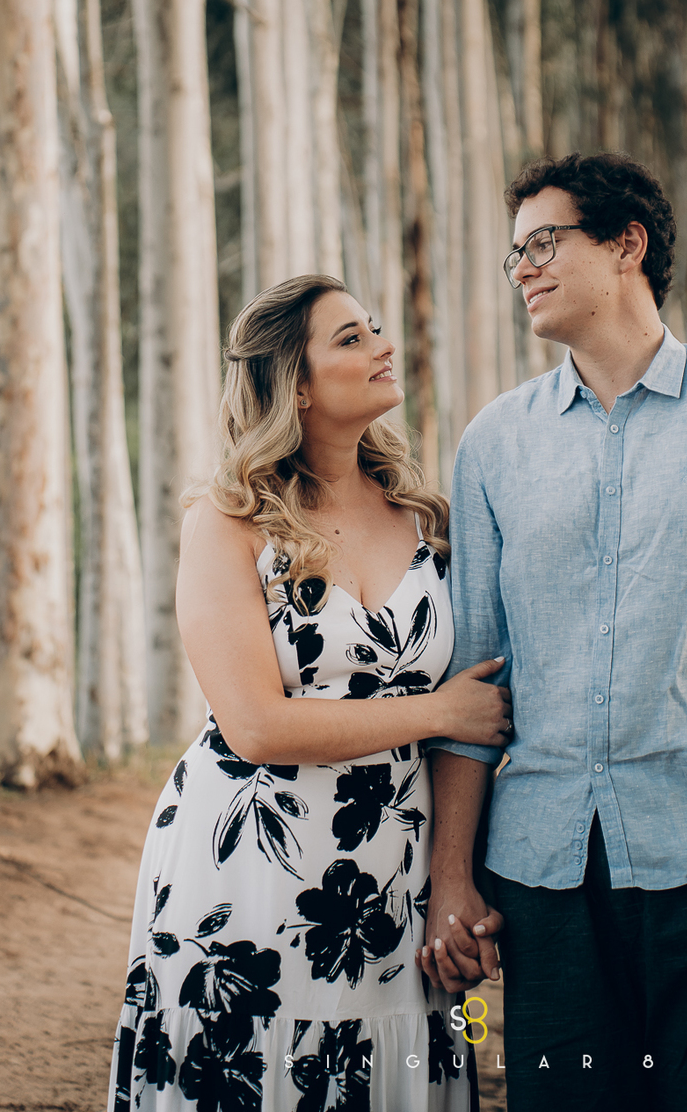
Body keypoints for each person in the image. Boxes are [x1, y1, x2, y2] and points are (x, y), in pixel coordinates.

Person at [419, 153, 687, 1112]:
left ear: (627, 246)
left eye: (545, 242)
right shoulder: (495, 442)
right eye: (514, 253)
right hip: (545, 876)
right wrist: (453, 877)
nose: (524, 266)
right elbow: (473, 683)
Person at [107, 274, 511, 1112]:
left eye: (375, 329)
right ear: (294, 381)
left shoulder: (427, 517)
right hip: (252, 867)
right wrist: (439, 712)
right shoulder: (227, 521)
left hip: (397, 868)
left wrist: (455, 873)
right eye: (353, 338)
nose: (383, 346)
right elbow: (254, 725)